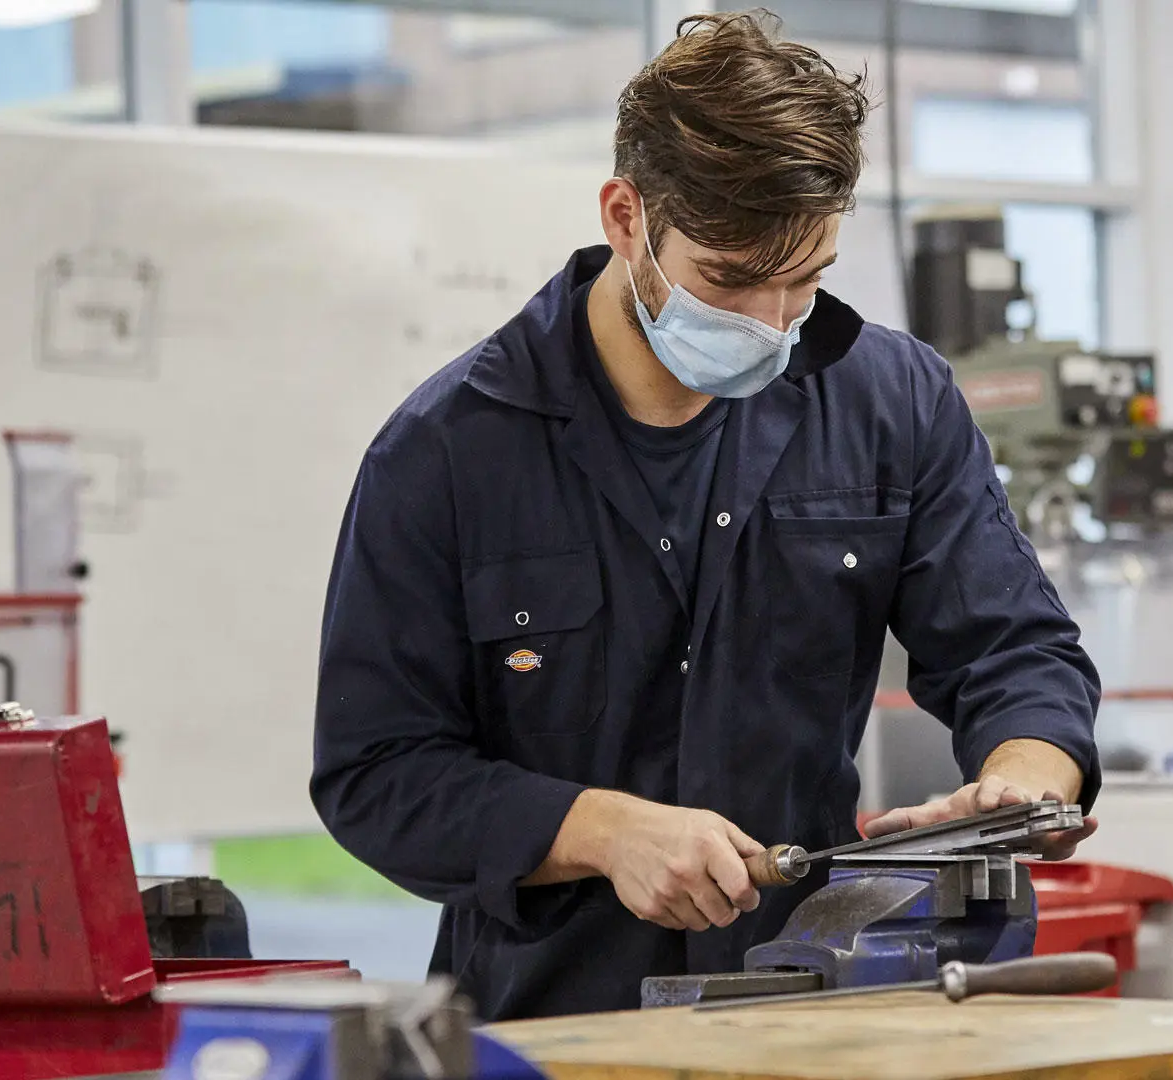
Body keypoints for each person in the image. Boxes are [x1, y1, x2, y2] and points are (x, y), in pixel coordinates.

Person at [309, 10, 1100, 1021]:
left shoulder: (889, 401)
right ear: (626, 217)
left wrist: (1019, 782)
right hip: (556, 1029)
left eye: (804, 281)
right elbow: (376, 776)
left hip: (817, 1012)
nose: (772, 327)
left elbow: (1014, 646)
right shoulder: (445, 454)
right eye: (731, 282)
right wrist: (595, 829)